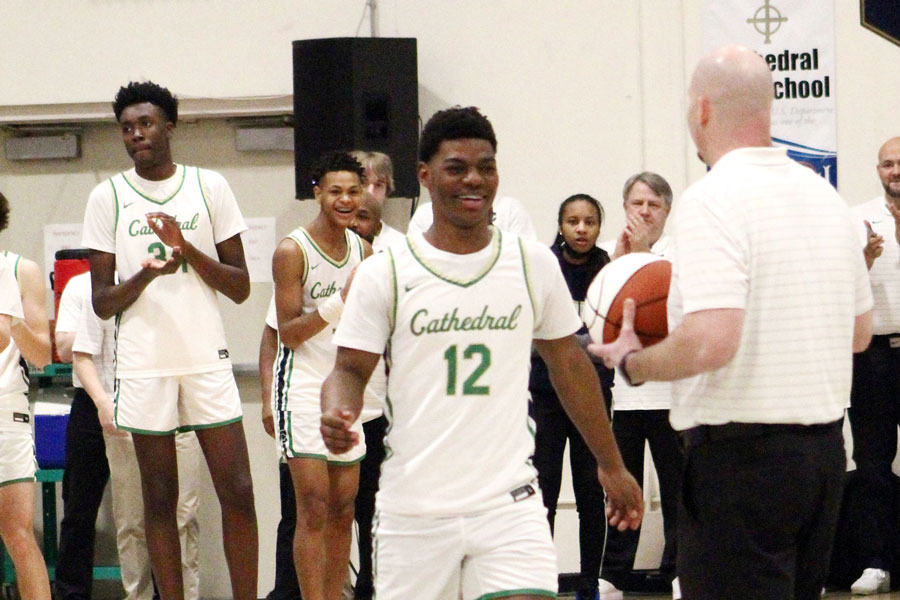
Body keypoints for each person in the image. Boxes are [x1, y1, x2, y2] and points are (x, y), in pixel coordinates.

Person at [320, 106, 643, 600]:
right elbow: (347, 370)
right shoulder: (385, 271)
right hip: (415, 509)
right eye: (457, 167)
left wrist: (613, 465)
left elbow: (569, 366)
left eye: (486, 166)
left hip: (509, 505)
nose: (474, 179)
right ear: (426, 176)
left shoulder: (530, 262)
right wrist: (336, 411)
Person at [592, 45, 874, 600]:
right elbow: (860, 334)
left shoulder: (712, 199)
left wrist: (633, 361)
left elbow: (712, 339)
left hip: (743, 465)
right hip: (823, 460)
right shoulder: (826, 197)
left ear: (701, 110)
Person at [81, 81, 258, 600]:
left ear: (170, 126)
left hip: (205, 357)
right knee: (160, 500)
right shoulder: (106, 196)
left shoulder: (209, 187)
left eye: (146, 124)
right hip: (143, 364)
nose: (136, 134)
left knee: (240, 492)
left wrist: (188, 252)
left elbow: (242, 286)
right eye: (127, 128)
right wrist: (148, 276)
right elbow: (103, 301)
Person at [54, 271, 203, 600]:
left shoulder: (174, 283)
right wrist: (104, 403)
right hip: (112, 408)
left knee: (182, 517)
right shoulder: (93, 288)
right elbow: (73, 350)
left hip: (173, 408)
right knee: (123, 519)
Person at [272, 151, 372, 600]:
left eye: (353, 190)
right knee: (311, 506)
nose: (346, 199)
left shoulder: (364, 250)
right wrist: (338, 302)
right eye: (336, 191)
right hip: (301, 385)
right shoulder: (292, 251)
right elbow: (288, 334)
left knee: (344, 506)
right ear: (317, 193)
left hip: (346, 385)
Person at [528, 194, 618, 600]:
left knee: (590, 491)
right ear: (560, 225)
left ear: (599, 227)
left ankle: (589, 583)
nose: (581, 229)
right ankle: (542, 579)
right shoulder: (543, 265)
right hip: (546, 394)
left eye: (589, 222)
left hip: (594, 395)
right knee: (543, 490)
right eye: (573, 221)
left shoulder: (610, 269)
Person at [598, 173, 682, 591]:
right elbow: (600, 328)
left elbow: (671, 321)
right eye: (637, 203)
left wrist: (642, 256)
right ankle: (613, 572)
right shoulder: (611, 259)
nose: (644, 211)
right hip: (627, 398)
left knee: (679, 491)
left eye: (653, 204)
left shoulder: (681, 256)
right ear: (625, 208)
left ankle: (679, 570)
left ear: (666, 211)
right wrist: (618, 265)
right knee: (621, 488)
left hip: (672, 394)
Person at [844, 136, 900, 595]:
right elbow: (838, 288)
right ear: (877, 169)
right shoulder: (857, 218)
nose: (895, 170)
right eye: (887, 164)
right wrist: (863, 261)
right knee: (872, 464)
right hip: (874, 355)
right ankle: (877, 561)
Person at [0, 192, 50, 600]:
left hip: (5, 413)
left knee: (17, 533)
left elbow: (43, 356)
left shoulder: (21, 270)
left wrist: (14, 323)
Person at [349, 151, 405, 249]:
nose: (370, 192)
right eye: (363, 182)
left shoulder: (400, 246)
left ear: (387, 191)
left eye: (378, 185)